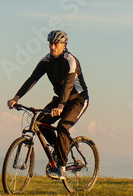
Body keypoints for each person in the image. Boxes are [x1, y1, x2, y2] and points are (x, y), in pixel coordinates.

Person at [7, 30, 89, 179]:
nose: (53, 46)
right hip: (60, 99)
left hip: (78, 99)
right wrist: (16, 97)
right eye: (51, 43)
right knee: (40, 123)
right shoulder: (46, 61)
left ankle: (61, 168)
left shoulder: (70, 60)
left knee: (63, 126)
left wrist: (61, 106)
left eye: (56, 44)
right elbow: (32, 79)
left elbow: (69, 85)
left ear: (64, 45)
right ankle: (59, 149)